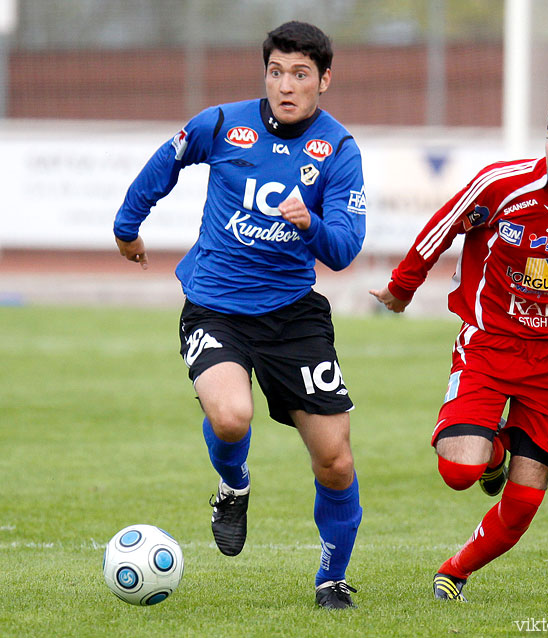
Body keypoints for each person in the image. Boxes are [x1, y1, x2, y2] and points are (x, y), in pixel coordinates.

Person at [113, 21, 365, 609]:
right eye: (276, 71)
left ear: (324, 80)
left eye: (301, 74)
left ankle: (332, 577)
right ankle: (234, 484)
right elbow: (165, 161)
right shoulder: (223, 124)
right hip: (215, 307)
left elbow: (346, 249)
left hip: (293, 316)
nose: (286, 84)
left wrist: (313, 225)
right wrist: (128, 226)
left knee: (335, 458)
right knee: (230, 417)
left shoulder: (339, 151)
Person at [370, 85, 548, 601]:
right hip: (489, 347)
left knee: (524, 503)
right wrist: (403, 288)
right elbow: (444, 224)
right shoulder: (504, 184)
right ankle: (494, 454)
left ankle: (455, 571)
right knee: (459, 471)